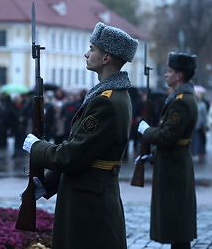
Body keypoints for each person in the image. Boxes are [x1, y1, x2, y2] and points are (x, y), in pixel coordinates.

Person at [23, 22, 138, 248]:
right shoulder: (108, 95)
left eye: (92, 49)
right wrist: (48, 184)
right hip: (88, 194)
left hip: (90, 202)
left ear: (106, 58)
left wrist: (37, 147)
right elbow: (86, 152)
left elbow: (73, 155)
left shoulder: (106, 101)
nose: (87, 53)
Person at [137, 52, 198, 249]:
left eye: (170, 71)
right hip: (173, 163)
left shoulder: (181, 101)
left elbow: (167, 137)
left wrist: (146, 131)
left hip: (174, 167)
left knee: (177, 218)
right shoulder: (180, 98)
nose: (166, 75)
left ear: (179, 76)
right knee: (176, 219)